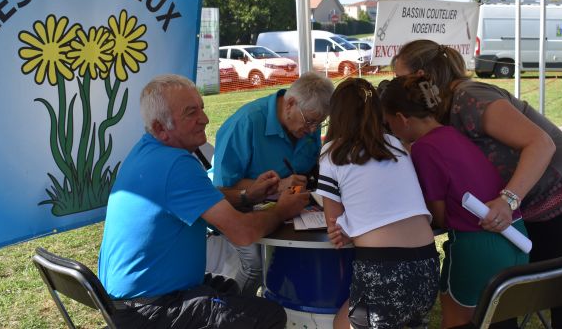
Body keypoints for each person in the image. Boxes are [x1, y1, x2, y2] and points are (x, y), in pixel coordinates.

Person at [392, 39, 562, 328]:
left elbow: (541, 144)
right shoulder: (441, 113)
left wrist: (508, 200)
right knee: (504, 303)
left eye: (399, 78)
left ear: (421, 76)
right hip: (527, 215)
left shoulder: (470, 97)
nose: (396, 87)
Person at [98, 74, 309, 329]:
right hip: (150, 309)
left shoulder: (147, 152)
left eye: (202, 108)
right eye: (191, 113)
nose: (205, 119)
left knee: (231, 290)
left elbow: (201, 201)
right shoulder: (176, 164)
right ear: (160, 128)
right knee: (269, 315)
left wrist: (248, 195)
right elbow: (243, 233)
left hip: (129, 300)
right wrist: (281, 210)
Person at [381, 74, 529, 328]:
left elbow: (439, 216)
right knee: (499, 321)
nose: (390, 129)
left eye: (388, 122)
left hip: (478, 246)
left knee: (456, 320)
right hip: (515, 237)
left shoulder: (423, 149)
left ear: (402, 119)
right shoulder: (453, 133)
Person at [315, 77, 439, 329]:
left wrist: (351, 227)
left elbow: (335, 227)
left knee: (341, 323)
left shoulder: (331, 154)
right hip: (427, 266)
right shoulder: (396, 145)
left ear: (336, 115)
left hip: (382, 269)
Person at [211, 71, 334, 295]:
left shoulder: (308, 123)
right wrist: (278, 186)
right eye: (310, 122)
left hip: (289, 211)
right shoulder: (246, 123)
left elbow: (309, 169)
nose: (312, 130)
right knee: (255, 264)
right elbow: (222, 190)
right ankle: (232, 310)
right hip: (240, 209)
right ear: (290, 104)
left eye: (319, 124)